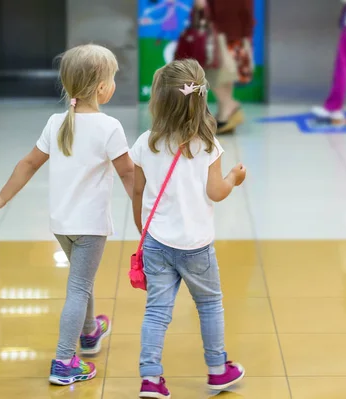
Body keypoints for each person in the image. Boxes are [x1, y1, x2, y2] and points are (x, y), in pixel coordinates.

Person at [0, 44, 134, 386]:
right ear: (103, 88)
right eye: (113, 79)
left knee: (81, 278)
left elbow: (29, 163)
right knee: (78, 287)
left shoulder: (56, 122)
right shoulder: (109, 127)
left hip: (62, 223)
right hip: (91, 226)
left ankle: (90, 333)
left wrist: (2, 197)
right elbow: (129, 175)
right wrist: (145, 207)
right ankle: (64, 360)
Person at [130, 59, 247, 399]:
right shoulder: (208, 144)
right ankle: (217, 370)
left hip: (156, 242)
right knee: (209, 305)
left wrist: (142, 227)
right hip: (196, 245)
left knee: (157, 310)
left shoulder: (145, 142)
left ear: (159, 102)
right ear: (201, 101)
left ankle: (150, 378)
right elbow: (216, 192)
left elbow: (138, 191)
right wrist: (234, 179)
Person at [195, 0, 254, 134]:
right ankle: (225, 112)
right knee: (222, 75)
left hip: (222, 33)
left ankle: (229, 107)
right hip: (226, 32)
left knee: (217, 73)